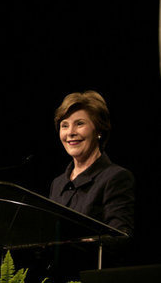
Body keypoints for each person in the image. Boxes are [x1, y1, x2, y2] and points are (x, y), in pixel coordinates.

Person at [49, 90, 134, 235]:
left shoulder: (115, 178)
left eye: (79, 124)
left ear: (98, 130)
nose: (70, 132)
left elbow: (119, 237)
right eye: (64, 125)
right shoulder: (58, 184)